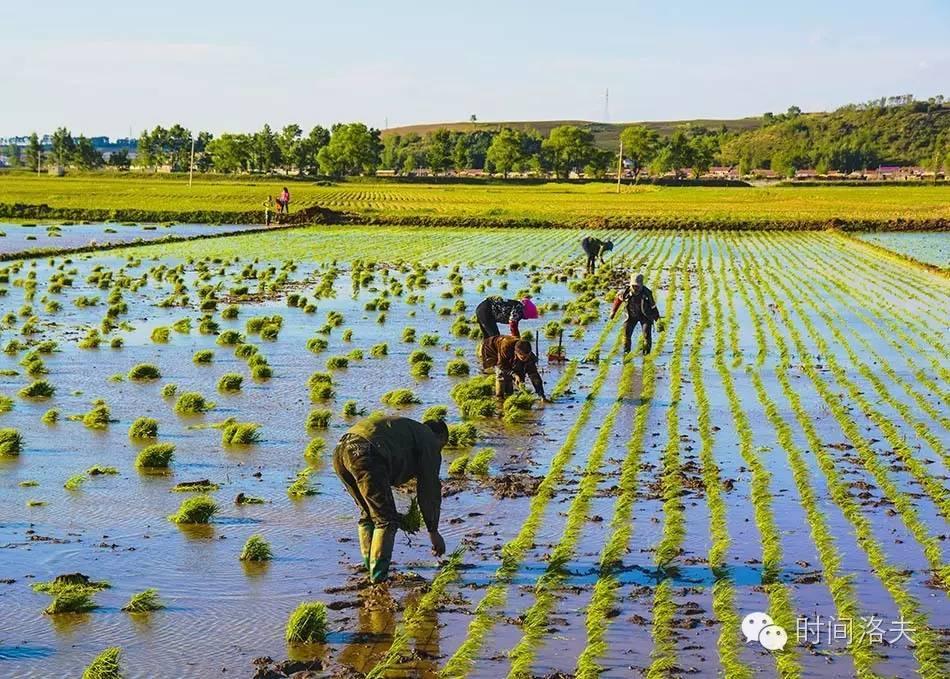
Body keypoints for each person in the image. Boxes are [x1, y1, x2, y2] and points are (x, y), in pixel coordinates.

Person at [333, 415, 449, 584]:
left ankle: (370, 565)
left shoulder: (409, 429)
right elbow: (429, 488)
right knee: (386, 520)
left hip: (340, 451)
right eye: (442, 447)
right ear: (439, 437)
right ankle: (378, 579)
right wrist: (433, 531)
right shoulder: (429, 439)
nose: (439, 452)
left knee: (368, 513)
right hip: (367, 452)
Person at [477, 335, 547, 400]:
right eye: (523, 357)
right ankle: (499, 398)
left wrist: (541, 395)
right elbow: (501, 366)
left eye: (527, 356)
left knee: (516, 375)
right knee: (501, 375)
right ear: (516, 352)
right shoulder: (506, 347)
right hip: (489, 348)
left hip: (506, 353)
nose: (526, 359)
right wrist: (514, 375)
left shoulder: (529, 356)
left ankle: (509, 395)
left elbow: (534, 375)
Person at [610, 273, 661, 354]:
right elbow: (618, 300)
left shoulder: (647, 293)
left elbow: (653, 307)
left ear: (641, 286)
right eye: (633, 286)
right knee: (626, 335)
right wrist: (613, 312)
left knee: (647, 335)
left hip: (645, 316)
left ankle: (646, 353)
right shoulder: (625, 293)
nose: (635, 288)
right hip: (631, 316)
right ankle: (626, 352)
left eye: (637, 286)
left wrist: (658, 320)